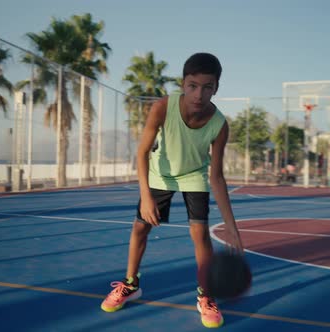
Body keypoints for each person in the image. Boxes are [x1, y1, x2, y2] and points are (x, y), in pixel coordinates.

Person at [100, 52, 244, 328]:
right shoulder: (163, 107)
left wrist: (231, 226)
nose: (199, 94)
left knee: (200, 233)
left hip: (194, 176)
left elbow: (217, 176)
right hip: (160, 174)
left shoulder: (219, 124)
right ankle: (130, 285)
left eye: (207, 87)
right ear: (183, 83)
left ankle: (206, 295)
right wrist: (145, 197)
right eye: (192, 85)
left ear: (216, 88)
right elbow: (142, 152)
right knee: (140, 228)